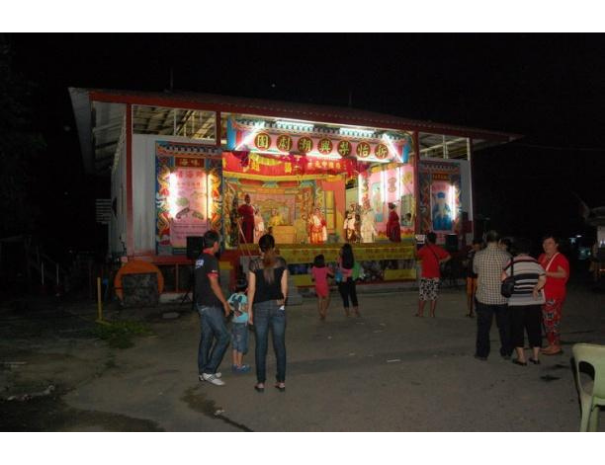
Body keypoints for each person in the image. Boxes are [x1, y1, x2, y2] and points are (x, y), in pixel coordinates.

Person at [247, 234, 289, 392]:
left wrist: (249, 310)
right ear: (273, 246)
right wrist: (281, 303)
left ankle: (261, 382)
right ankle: (281, 381)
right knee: (280, 345)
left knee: (261, 346)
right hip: (278, 307)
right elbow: (284, 289)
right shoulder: (281, 262)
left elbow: (252, 290)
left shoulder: (255, 264)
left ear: (260, 249)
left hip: (260, 308)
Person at [502, 238, 546, 366]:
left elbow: (504, 279)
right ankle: (536, 357)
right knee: (535, 329)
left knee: (517, 329)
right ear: (528, 250)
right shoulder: (536, 263)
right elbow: (543, 279)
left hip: (516, 302)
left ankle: (521, 358)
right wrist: (535, 288)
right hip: (534, 302)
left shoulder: (511, 262)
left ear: (515, 250)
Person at [195, 230, 232, 386]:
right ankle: (209, 371)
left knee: (207, 337)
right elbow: (214, 284)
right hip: (210, 305)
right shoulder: (211, 260)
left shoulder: (200, 259)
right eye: (219, 243)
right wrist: (224, 302)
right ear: (216, 244)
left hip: (201, 303)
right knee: (224, 337)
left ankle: (204, 371)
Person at [472, 230, 513, 361]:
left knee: (483, 327)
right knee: (505, 326)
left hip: (484, 297)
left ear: (486, 241)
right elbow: (511, 273)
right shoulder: (507, 255)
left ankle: (482, 353)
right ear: (499, 241)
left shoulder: (479, 255)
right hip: (502, 297)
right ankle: (506, 351)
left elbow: (475, 271)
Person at [538, 234, 570, 355]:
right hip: (543, 294)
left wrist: (545, 273)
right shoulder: (542, 256)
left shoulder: (560, 258)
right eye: (544, 243)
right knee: (546, 321)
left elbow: (563, 274)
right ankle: (551, 344)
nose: (546, 245)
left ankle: (556, 346)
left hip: (554, 295)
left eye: (550, 243)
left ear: (556, 245)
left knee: (552, 321)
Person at [415, 232, 450, 317]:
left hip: (426, 275)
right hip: (435, 276)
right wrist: (441, 261)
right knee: (433, 295)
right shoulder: (438, 249)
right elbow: (449, 256)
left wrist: (415, 246)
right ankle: (432, 313)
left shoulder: (424, 249)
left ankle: (420, 313)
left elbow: (416, 256)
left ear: (427, 239)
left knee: (423, 295)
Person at [227, 278, 251, 373]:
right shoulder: (245, 298)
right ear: (246, 289)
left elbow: (228, 304)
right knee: (241, 345)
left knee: (235, 344)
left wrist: (235, 309)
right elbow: (245, 310)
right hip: (242, 324)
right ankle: (240, 366)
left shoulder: (234, 296)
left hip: (234, 323)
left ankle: (235, 364)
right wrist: (241, 310)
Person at [337, 243, 360, 317]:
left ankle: (347, 313)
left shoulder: (340, 258)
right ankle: (356, 311)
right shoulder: (353, 258)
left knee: (345, 296)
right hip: (351, 279)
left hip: (343, 279)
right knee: (353, 294)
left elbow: (340, 269)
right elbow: (355, 267)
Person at [311, 254, 334, 321]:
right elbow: (332, 274)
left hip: (317, 285)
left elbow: (312, 277)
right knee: (327, 298)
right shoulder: (325, 268)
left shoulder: (313, 268)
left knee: (319, 298)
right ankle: (324, 310)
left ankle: (321, 312)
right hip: (324, 285)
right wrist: (331, 271)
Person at [464, 238, 483, 317]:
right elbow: (465, 263)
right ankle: (470, 310)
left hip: (478, 276)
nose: (476, 248)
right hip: (469, 275)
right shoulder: (470, 253)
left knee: (477, 293)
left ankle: (478, 310)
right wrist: (465, 263)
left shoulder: (482, 254)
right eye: (475, 246)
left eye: (478, 247)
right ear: (472, 245)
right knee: (469, 293)